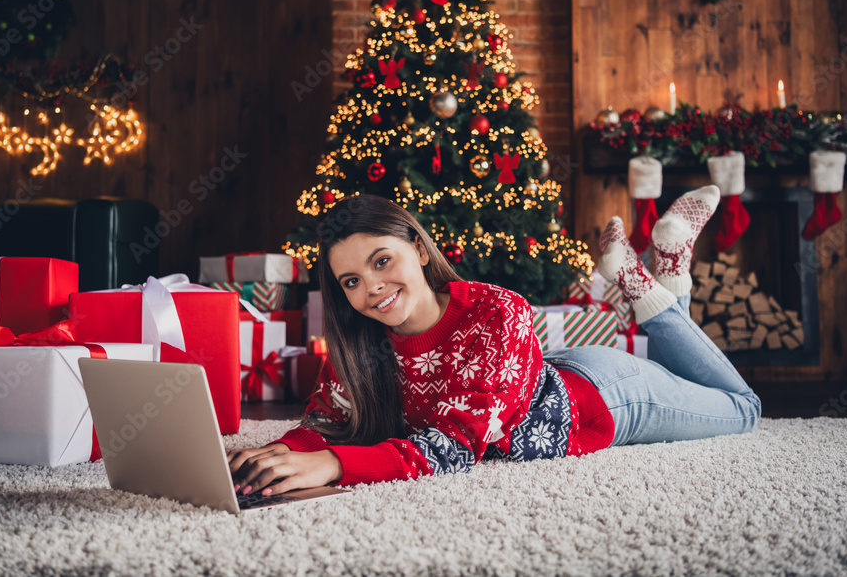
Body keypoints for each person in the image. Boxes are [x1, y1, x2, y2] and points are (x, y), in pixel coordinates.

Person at [227, 189, 761, 497]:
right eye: (351, 282)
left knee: (744, 409)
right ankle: (670, 268)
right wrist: (279, 454)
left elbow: (455, 447)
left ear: (417, 246)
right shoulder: (362, 338)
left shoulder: (494, 310)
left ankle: (642, 287)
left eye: (382, 261)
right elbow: (328, 420)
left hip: (608, 398)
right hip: (542, 374)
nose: (372, 290)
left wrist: (336, 465)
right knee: (699, 384)